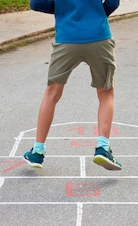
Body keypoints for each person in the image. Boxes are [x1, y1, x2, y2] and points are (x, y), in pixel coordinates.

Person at [24, 0, 122, 171]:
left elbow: (36, 3)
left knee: (52, 94)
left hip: (67, 37)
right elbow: (113, 2)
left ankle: (37, 152)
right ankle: (103, 148)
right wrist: (97, 13)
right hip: (98, 35)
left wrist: (63, 11)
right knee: (106, 92)